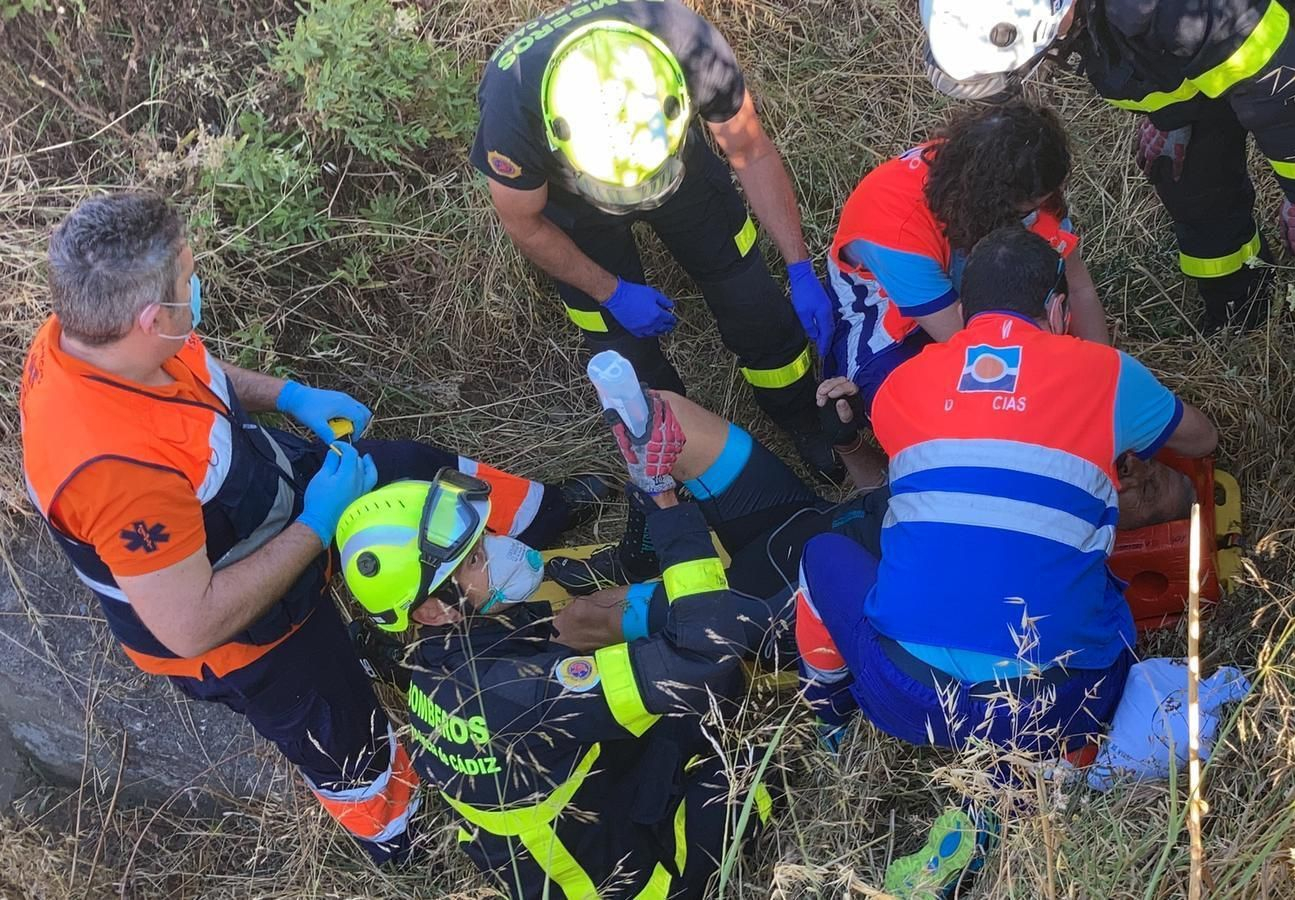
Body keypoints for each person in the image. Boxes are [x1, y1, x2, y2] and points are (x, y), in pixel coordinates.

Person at [18, 192, 607, 864]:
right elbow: (190, 624)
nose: (198, 285)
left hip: (256, 492)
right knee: (342, 735)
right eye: (189, 280)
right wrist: (319, 521)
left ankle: (545, 515)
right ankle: (403, 842)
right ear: (151, 318)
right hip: (249, 634)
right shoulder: (114, 472)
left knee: (417, 471)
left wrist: (292, 395)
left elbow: (194, 369)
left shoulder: (92, 337)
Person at [793, 227, 1219, 897]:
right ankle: (1043, 777)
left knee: (820, 556)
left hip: (904, 695)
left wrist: (851, 437)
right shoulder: (1106, 375)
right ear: (1057, 310)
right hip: (1060, 704)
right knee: (1097, 601)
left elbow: (890, 491)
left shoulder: (902, 384)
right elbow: (1203, 436)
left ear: (963, 312)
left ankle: (833, 722)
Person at [335, 400, 783, 899]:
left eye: (485, 536)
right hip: (641, 884)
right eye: (478, 557)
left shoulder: (430, 662)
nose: (502, 550)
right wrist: (668, 510)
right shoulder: (525, 694)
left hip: (567, 837)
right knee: (747, 748)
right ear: (433, 611)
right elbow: (705, 655)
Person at [920, 0, 1295, 397]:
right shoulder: (1103, 16)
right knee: (1188, 179)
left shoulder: (1162, 7)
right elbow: (1164, 59)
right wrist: (1172, 117)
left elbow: (1284, 85)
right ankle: (1238, 317)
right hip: (1255, 48)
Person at [473, 0, 840, 479]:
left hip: (679, 169)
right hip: (575, 209)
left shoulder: (684, 40)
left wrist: (799, 268)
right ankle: (685, 454)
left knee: (752, 300)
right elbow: (524, 222)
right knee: (625, 354)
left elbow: (748, 148)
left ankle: (800, 417)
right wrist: (612, 292)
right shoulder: (512, 104)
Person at [824, 101, 1110, 482]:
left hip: (964, 292)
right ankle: (851, 440)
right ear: (994, 202)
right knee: (942, 436)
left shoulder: (1020, 174)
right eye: (1032, 208)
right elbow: (976, 350)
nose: (1042, 214)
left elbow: (1078, 286)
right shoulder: (895, 222)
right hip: (889, 323)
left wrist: (1104, 383)